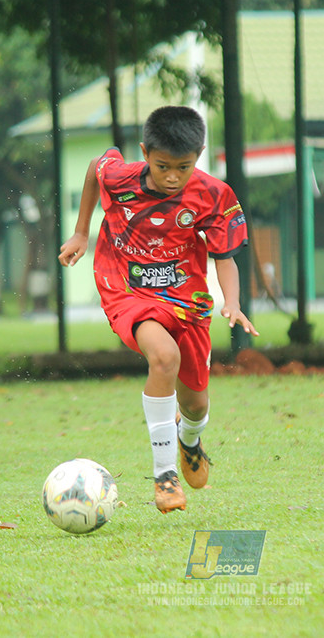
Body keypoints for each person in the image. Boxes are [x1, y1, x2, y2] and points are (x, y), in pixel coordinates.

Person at [59, 105, 258, 514]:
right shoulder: (120, 178)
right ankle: (165, 476)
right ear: (144, 152)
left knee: (197, 406)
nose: (171, 177)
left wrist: (233, 303)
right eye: (162, 165)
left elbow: (224, 256)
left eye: (182, 167)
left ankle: (189, 440)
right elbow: (98, 165)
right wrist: (81, 231)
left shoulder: (213, 195)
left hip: (187, 299)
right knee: (164, 357)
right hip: (125, 288)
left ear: (199, 155)